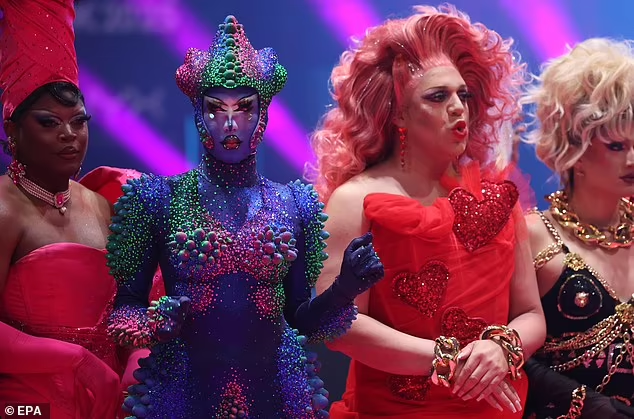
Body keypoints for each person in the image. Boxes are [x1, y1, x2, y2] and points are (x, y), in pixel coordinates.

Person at [106, 15, 384, 418]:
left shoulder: (295, 203)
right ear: (198, 114)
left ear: (264, 112)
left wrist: (345, 287)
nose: (231, 123)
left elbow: (301, 321)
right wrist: (154, 326)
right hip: (182, 396)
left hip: (279, 396)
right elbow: (123, 308)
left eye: (244, 108)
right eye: (216, 109)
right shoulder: (157, 199)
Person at [310, 5, 546, 418]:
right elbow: (338, 325)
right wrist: (447, 360)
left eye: (463, 94)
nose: (459, 108)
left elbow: (530, 314)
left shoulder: (495, 196)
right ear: (397, 112)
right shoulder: (355, 201)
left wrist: (500, 348)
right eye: (438, 96)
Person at [0, 1, 150, 417]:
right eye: (49, 123)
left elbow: (135, 308)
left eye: (78, 121)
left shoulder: (107, 203)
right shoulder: (5, 209)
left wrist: (139, 359)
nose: (69, 135)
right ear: (12, 131)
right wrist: (73, 361)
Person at [523, 38, 634, 419]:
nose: (633, 158)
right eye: (617, 145)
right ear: (574, 147)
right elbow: (507, 355)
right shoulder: (531, 235)